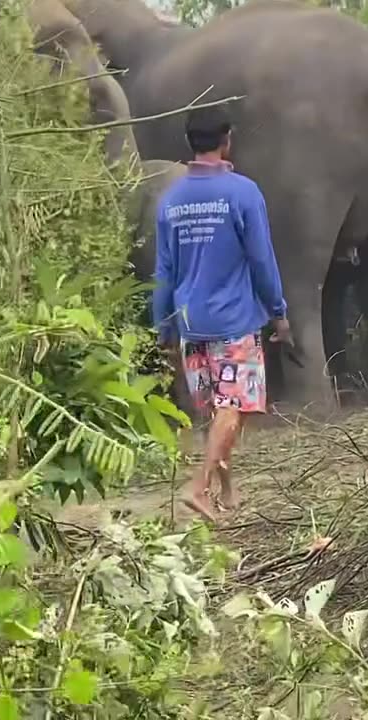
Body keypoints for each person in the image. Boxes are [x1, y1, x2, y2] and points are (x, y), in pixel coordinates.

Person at [152, 104, 292, 522]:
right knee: (234, 406)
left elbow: (164, 269)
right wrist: (278, 311)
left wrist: (162, 325)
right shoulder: (243, 192)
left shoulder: (171, 199)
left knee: (219, 408)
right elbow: (262, 259)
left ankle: (227, 488)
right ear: (227, 139)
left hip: (191, 323)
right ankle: (199, 486)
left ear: (190, 143)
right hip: (233, 321)